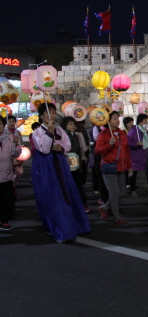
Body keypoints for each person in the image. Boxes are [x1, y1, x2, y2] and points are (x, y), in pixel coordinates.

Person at [31, 103, 91, 242]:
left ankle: (74, 224)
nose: (52, 116)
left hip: (60, 163)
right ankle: (58, 228)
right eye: (48, 113)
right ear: (41, 116)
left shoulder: (60, 129)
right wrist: (49, 133)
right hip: (46, 166)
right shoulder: (37, 132)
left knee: (67, 192)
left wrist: (61, 147)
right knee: (53, 196)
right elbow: (44, 149)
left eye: (53, 113)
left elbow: (67, 145)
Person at [95, 111, 133, 227]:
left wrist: (129, 166)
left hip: (121, 167)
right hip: (109, 167)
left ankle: (104, 207)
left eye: (118, 118)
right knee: (114, 193)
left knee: (122, 193)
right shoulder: (104, 134)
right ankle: (117, 217)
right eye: (114, 118)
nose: (117, 120)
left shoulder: (121, 133)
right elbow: (98, 150)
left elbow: (126, 151)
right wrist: (109, 145)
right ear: (108, 120)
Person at [61, 116, 90, 213]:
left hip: (76, 164)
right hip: (66, 163)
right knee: (69, 185)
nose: (73, 126)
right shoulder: (62, 135)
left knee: (78, 184)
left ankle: (82, 204)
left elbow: (80, 148)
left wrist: (83, 158)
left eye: (73, 124)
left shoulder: (76, 135)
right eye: (70, 124)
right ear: (65, 125)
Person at [0, 116, 21, 230]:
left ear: (4, 126)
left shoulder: (10, 138)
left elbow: (16, 154)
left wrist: (17, 144)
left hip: (7, 174)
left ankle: (4, 221)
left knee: (7, 199)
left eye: (0, 124)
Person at [127, 114, 148, 198]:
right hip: (136, 156)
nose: (146, 122)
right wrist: (136, 143)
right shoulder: (133, 131)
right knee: (133, 174)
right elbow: (128, 142)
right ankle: (133, 190)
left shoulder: (146, 131)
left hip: (145, 155)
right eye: (145, 121)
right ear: (140, 122)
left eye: (147, 121)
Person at [5, 115, 23, 191]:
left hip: (16, 155)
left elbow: (21, 143)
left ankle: (14, 184)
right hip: (7, 156)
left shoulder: (18, 132)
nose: (11, 123)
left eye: (13, 121)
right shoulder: (4, 132)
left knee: (19, 172)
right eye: (9, 121)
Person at [75, 120, 90, 190]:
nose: (81, 126)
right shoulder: (73, 134)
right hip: (77, 155)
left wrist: (87, 146)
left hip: (84, 154)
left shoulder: (82, 131)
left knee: (84, 171)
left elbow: (86, 140)